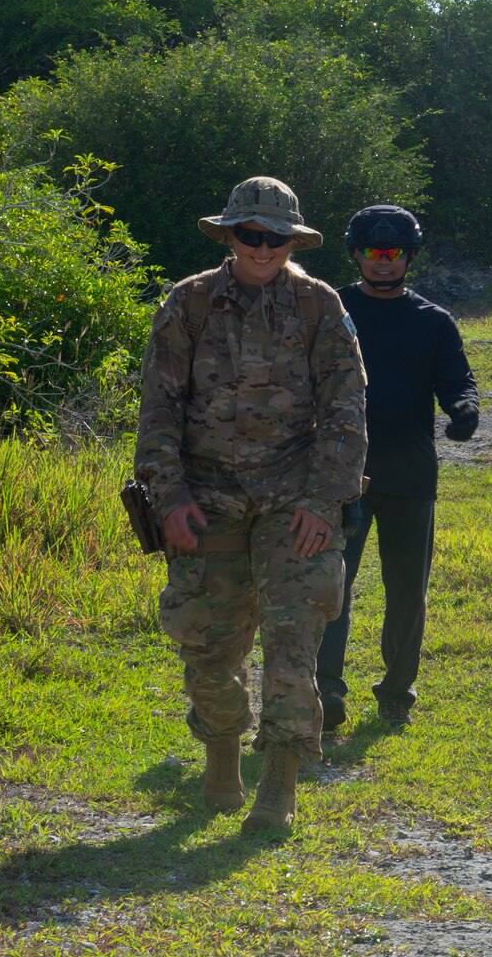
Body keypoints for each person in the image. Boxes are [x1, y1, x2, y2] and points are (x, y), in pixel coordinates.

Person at [133, 176, 366, 835]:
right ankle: (221, 753)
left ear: (294, 241)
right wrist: (170, 498)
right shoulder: (189, 304)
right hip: (206, 499)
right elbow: (157, 413)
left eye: (276, 238)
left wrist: (325, 501)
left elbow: (347, 411)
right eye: (250, 235)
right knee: (208, 643)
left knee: (293, 638)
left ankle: (280, 785)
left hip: (294, 497)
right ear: (229, 234)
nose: (263, 248)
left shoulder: (319, 307)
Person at [316, 204, 479, 731]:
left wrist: (463, 410)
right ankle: (325, 693)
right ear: (356, 254)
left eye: (393, 253)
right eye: (372, 252)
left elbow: (457, 380)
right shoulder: (329, 310)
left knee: (407, 589)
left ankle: (396, 691)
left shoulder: (432, 321)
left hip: (411, 474)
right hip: (341, 474)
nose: (383, 262)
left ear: (409, 257)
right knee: (331, 584)